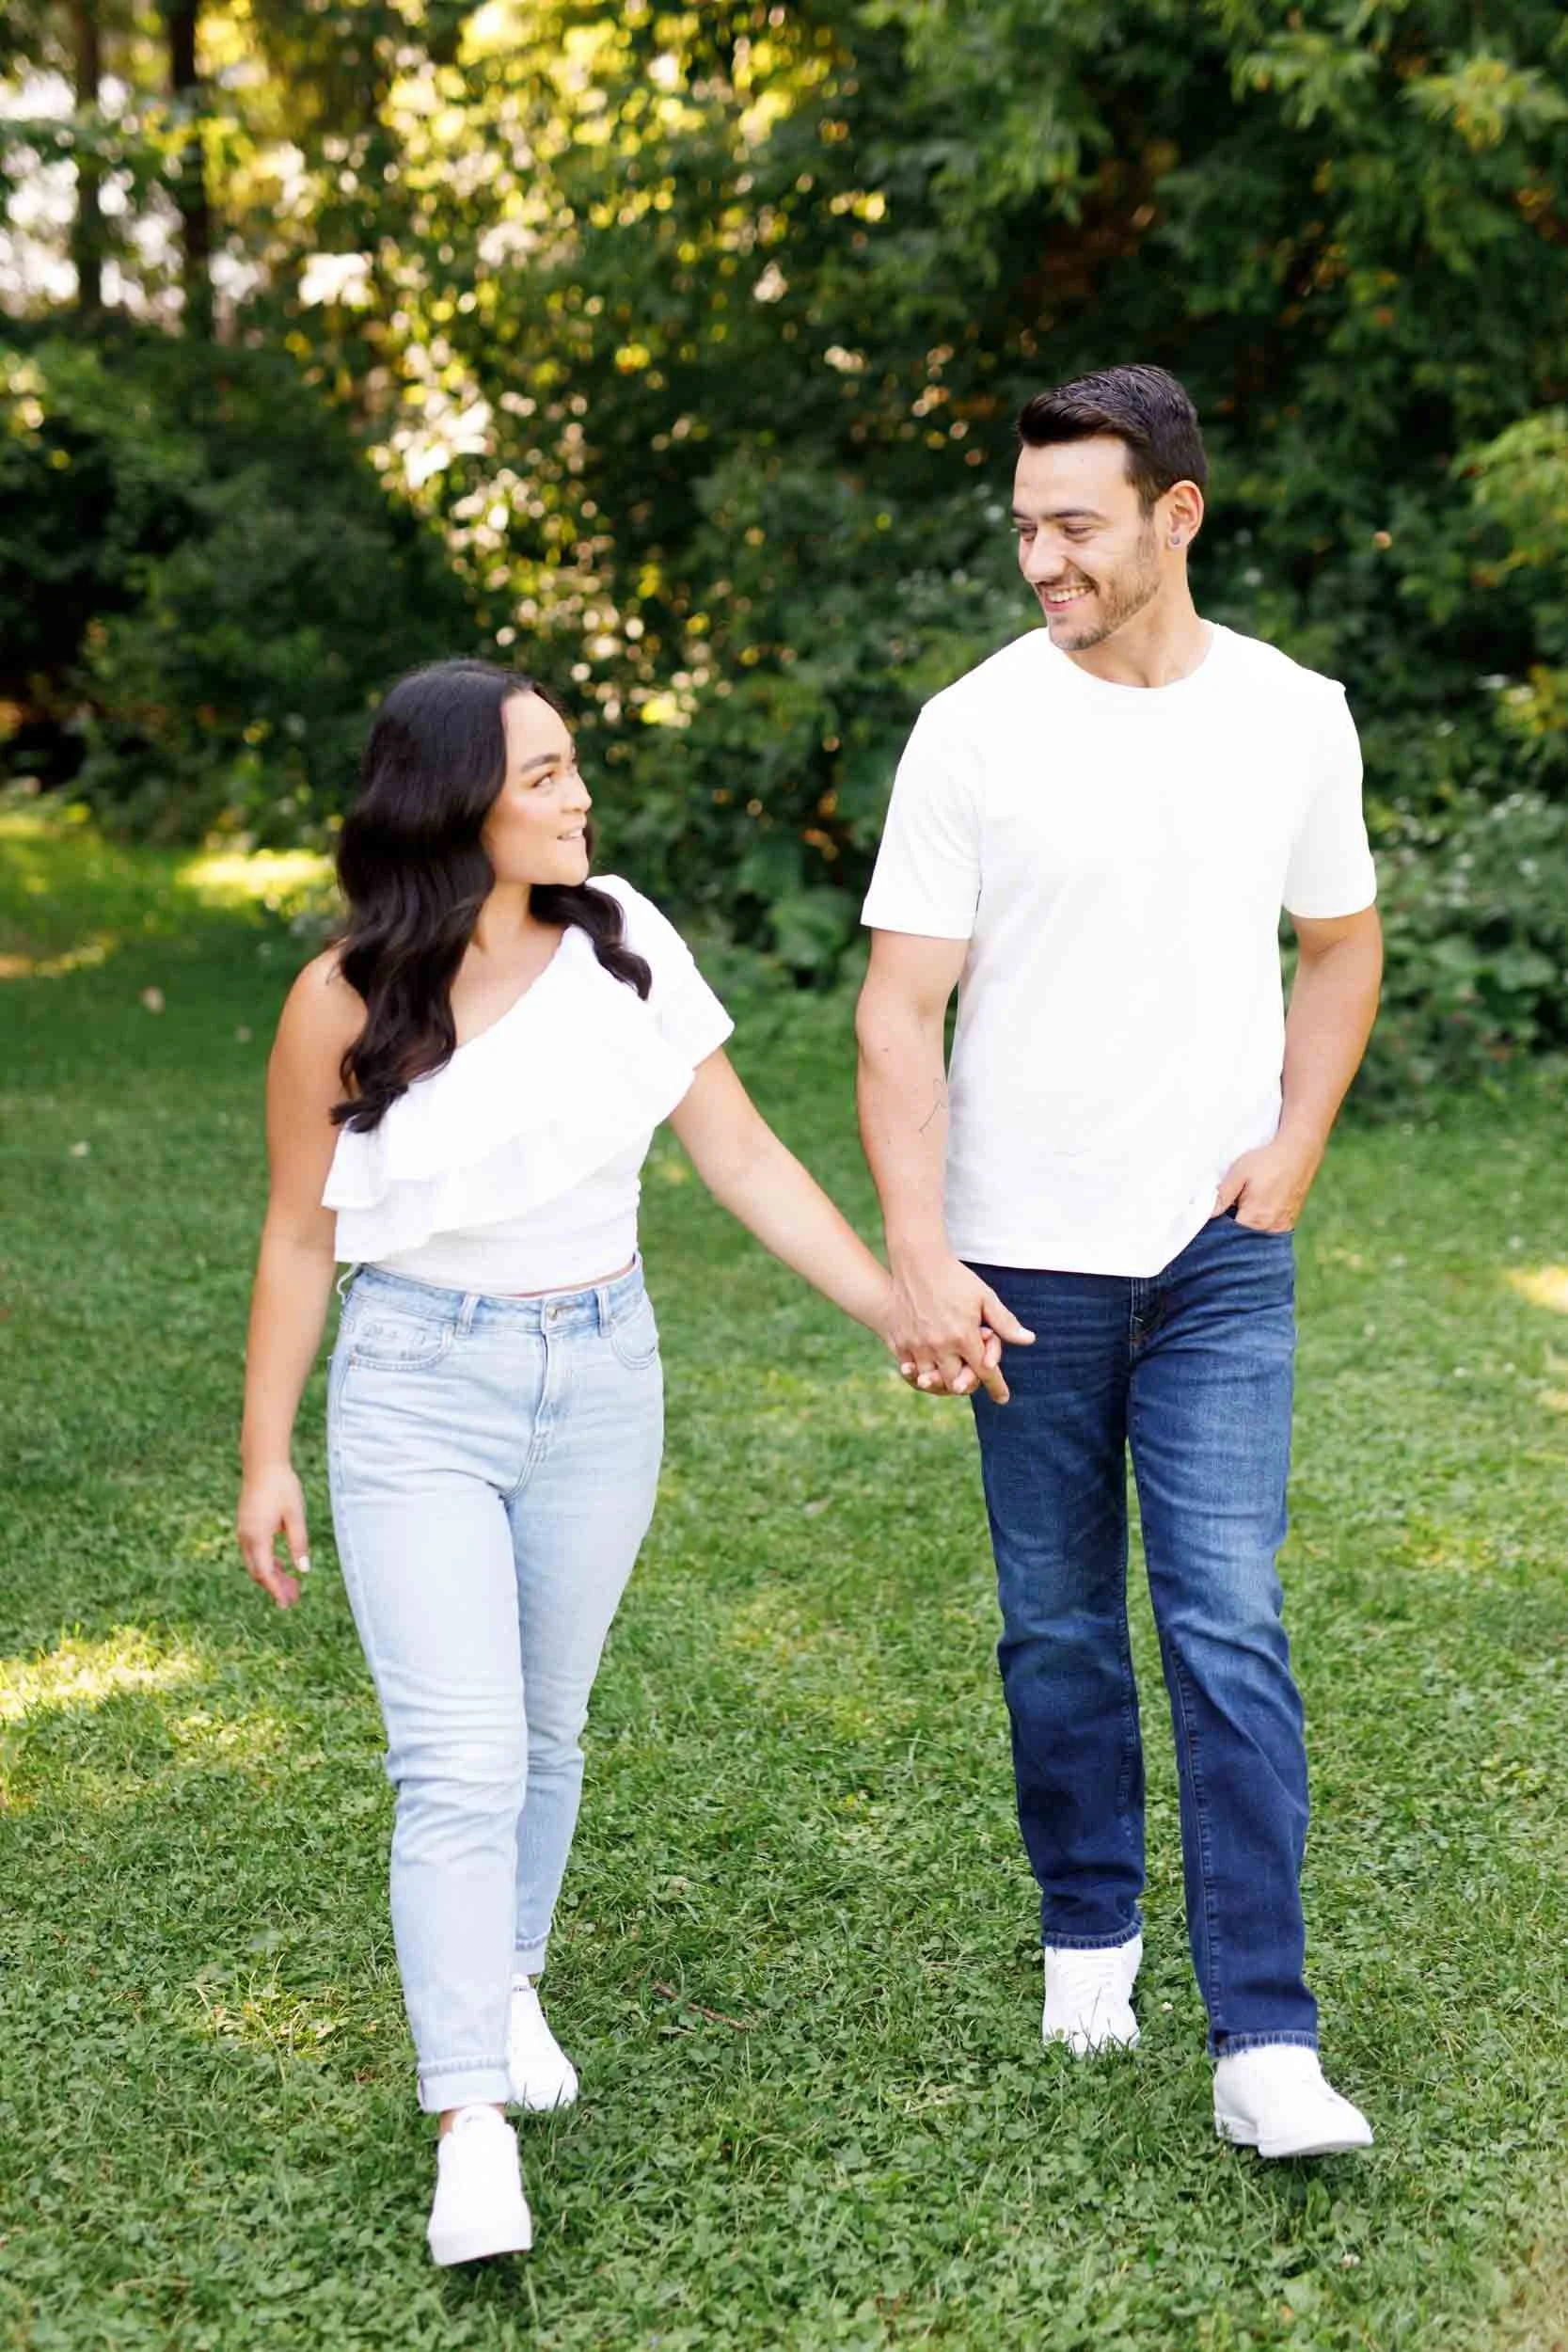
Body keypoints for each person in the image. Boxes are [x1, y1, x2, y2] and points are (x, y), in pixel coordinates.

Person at [235, 659, 985, 2266]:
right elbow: (302, 1237)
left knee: (547, 1727)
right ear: (457, 808)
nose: (581, 799)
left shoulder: (623, 937)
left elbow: (737, 1150)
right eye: (547, 776)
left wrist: (891, 1306)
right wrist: (263, 1457)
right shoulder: (343, 997)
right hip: (416, 1387)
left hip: (602, 1374)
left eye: (575, 768)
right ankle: (468, 2125)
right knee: (457, 1760)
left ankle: (505, 1986)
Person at [855, 364, 1384, 2160]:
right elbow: (895, 1009)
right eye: (1022, 526)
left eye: (1072, 524)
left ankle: (1264, 2038)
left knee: (1223, 1616)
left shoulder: (1293, 716)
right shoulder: (972, 730)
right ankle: (1090, 1925)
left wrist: (1294, 1143)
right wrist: (918, 1257)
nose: (1039, 559)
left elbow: (1339, 944)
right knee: (1059, 1625)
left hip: (1216, 1252)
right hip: (1020, 1263)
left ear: (1177, 513)